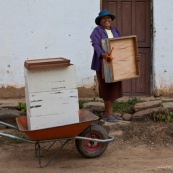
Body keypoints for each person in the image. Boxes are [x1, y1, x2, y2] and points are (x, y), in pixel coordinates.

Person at [90, 9, 123, 122]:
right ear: (100, 21)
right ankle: (108, 114)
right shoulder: (97, 31)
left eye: (108, 18)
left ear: (111, 19)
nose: (106, 20)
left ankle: (110, 112)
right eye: (103, 18)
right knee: (106, 88)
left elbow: (121, 44)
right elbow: (95, 44)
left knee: (113, 88)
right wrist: (103, 54)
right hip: (103, 63)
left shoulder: (115, 30)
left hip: (115, 63)